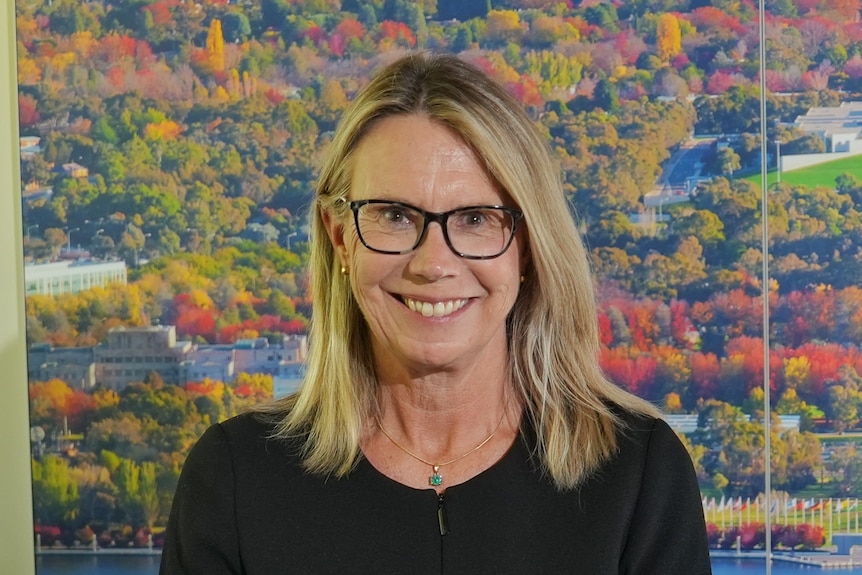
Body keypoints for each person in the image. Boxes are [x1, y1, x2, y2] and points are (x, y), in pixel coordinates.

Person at [161, 51, 711, 574]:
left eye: (475, 218)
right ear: (339, 240)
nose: (433, 262)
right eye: (395, 215)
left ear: (527, 248)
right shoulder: (234, 480)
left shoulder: (638, 477)